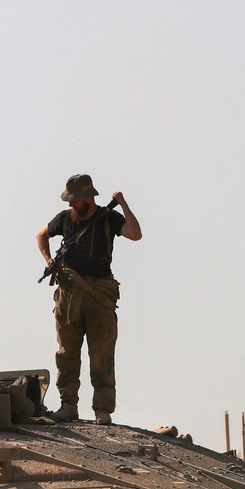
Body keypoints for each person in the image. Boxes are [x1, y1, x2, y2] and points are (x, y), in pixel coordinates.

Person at [35, 173, 142, 425]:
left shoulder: (109, 218)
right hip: (68, 294)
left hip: (99, 294)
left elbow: (135, 234)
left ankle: (102, 409)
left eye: (75, 200)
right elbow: (41, 235)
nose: (71, 204)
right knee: (67, 353)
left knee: (101, 354)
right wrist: (48, 260)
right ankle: (68, 405)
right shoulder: (65, 219)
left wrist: (123, 204)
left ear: (88, 199)